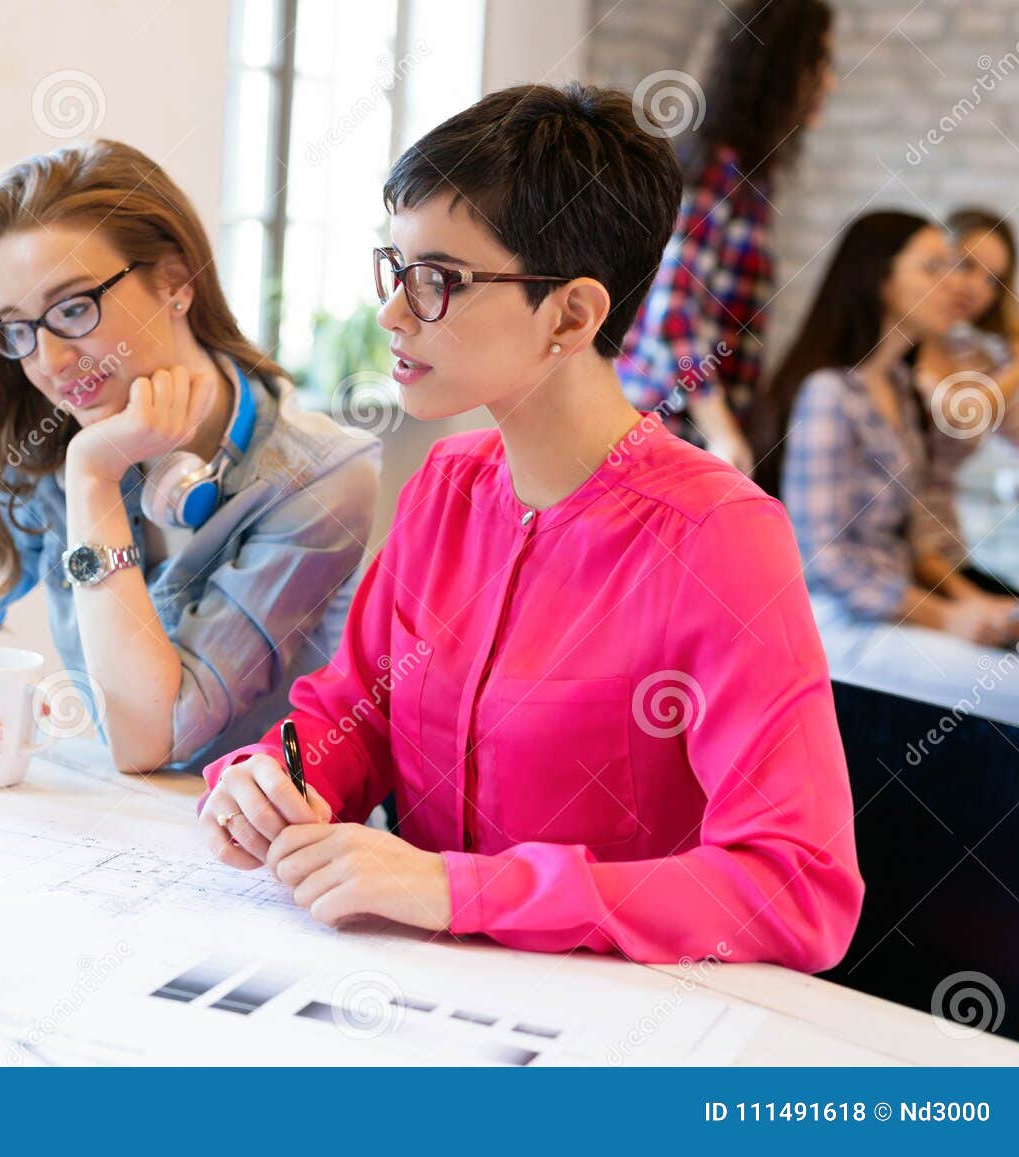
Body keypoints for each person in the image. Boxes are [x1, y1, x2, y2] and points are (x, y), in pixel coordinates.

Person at [196, 85, 864, 971]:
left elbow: (797, 888)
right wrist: (277, 780)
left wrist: (455, 887)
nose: (393, 313)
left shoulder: (719, 535)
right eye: (394, 270)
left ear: (573, 315)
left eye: (437, 280)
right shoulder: (446, 485)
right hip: (415, 995)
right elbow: (354, 715)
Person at [0, 140, 380, 785]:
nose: (49, 363)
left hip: (266, 851)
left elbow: (152, 739)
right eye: (19, 329)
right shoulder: (52, 445)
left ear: (175, 282)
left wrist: (94, 479)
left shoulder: (320, 476)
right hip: (129, 831)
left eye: (75, 309)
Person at [752, 211, 1019, 724]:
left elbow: (913, 534)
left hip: (896, 612)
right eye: (934, 268)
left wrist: (972, 608)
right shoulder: (829, 393)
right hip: (844, 628)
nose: (955, 286)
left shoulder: (897, 387)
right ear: (882, 280)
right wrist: (947, 617)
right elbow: (825, 558)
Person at [618, 0, 835, 474]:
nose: (829, 82)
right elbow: (673, 313)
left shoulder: (752, 180)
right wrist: (722, 432)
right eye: (820, 62)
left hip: (685, 431)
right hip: (660, 433)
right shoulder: (719, 171)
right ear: (782, 70)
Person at [913, 207, 1019, 597]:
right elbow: (959, 415)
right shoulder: (905, 344)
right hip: (907, 557)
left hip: (947, 550)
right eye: (967, 265)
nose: (976, 288)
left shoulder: (974, 356)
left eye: (993, 281)